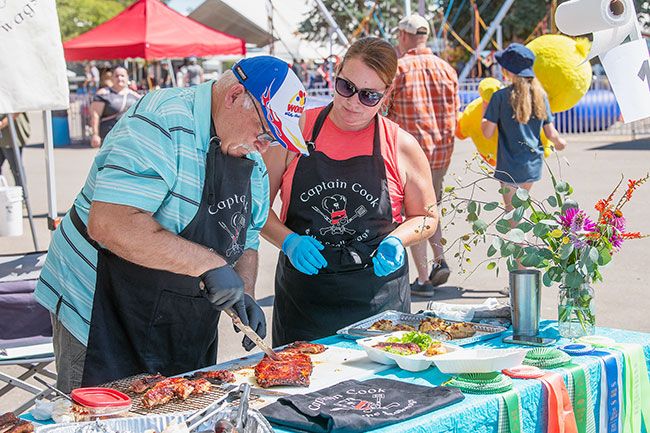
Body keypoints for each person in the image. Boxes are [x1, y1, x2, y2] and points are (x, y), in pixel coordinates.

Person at [34, 56, 308, 392]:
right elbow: (110, 223)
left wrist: (244, 291)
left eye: (275, 140)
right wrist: (209, 264)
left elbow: (246, 238)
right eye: (265, 131)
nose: (264, 146)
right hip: (104, 309)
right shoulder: (161, 119)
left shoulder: (253, 163)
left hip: (179, 319)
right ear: (235, 96)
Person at [262, 37, 439, 346]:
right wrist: (288, 241)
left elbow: (426, 217)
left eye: (369, 96)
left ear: (386, 96)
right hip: (304, 302)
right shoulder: (297, 131)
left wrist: (399, 239)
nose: (352, 102)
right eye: (346, 86)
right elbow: (256, 207)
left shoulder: (401, 145)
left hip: (378, 306)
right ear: (336, 73)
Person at [387, 14, 460, 296]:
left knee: (413, 214)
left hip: (409, 153)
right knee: (432, 207)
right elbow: (455, 113)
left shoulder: (399, 69)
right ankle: (439, 260)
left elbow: (383, 111)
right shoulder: (446, 69)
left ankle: (423, 279)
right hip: (442, 152)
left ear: (404, 36)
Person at [481, 43, 566, 212]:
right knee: (521, 211)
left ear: (509, 71)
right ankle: (521, 237)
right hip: (532, 164)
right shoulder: (540, 96)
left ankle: (519, 239)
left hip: (509, 165)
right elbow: (550, 132)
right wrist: (560, 142)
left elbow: (487, 132)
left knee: (512, 214)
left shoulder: (499, 97)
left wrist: (485, 111)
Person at [90, 67, 141, 148]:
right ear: (112, 78)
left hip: (129, 139)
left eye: (122, 75)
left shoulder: (135, 96)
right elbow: (95, 115)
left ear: (127, 77)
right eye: (116, 76)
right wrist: (95, 135)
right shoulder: (103, 94)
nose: (119, 78)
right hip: (109, 138)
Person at [0, 113, 30, 188]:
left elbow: (17, 110)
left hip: (10, 136)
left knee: (16, 169)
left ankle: (22, 197)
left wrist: (3, 123)